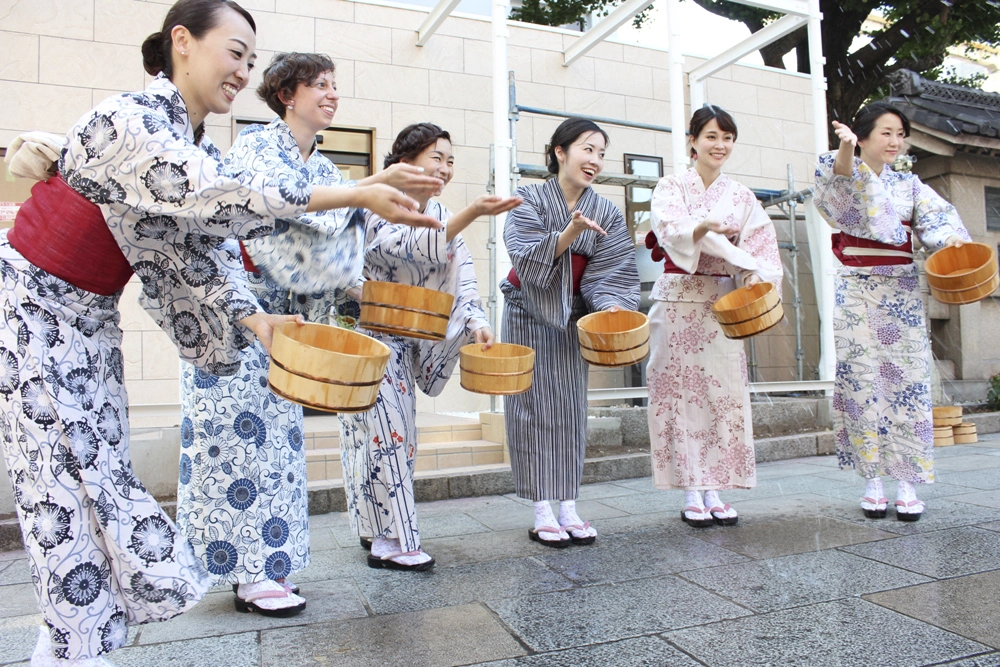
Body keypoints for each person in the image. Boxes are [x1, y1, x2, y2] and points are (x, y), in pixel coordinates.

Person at [0, 1, 439, 665]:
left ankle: (67, 640)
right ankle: (72, 644)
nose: (242, 71)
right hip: (33, 308)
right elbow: (216, 194)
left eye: (251, 60)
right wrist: (355, 193)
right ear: (182, 42)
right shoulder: (135, 120)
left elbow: (196, 254)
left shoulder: (191, 142)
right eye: (234, 52)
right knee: (68, 483)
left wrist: (257, 317)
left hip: (87, 320)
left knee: (92, 477)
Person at [174, 52, 444, 615]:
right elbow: (275, 208)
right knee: (235, 447)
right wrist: (366, 190)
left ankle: (268, 568)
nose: (331, 93)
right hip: (236, 315)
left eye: (335, 84)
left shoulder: (324, 170)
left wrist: (375, 205)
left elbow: (337, 242)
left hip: (289, 328)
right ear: (286, 95)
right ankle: (248, 576)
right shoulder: (255, 147)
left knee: (277, 449)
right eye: (319, 84)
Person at [339, 122, 521, 570]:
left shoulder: (443, 212)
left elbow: (464, 276)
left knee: (397, 437)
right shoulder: (380, 202)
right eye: (435, 158)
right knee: (382, 435)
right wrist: (472, 213)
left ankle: (376, 530)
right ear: (406, 162)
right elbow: (407, 243)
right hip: (368, 334)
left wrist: (476, 321)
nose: (445, 167)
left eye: (450, 160)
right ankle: (396, 539)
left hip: (408, 339)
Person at [814, 101, 970, 522]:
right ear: (862, 135)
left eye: (900, 133)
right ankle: (873, 480)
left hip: (900, 287)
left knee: (907, 381)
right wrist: (846, 150)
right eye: (886, 132)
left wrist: (951, 241)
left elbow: (938, 222)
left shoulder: (911, 185)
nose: (895, 141)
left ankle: (906, 480)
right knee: (863, 382)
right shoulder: (837, 163)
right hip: (857, 288)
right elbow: (840, 190)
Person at [501, 118, 639, 548]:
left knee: (569, 409)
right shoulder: (528, 197)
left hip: (573, 315)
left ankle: (568, 505)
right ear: (560, 152)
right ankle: (541, 507)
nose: (594, 160)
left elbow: (611, 269)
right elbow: (522, 251)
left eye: (601, 152)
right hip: (529, 310)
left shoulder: (606, 211)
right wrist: (569, 233)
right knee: (531, 408)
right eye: (587, 149)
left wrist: (611, 304)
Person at [645, 105, 782, 527]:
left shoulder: (741, 195)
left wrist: (755, 271)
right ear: (692, 141)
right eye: (710, 136)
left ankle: (716, 486)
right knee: (678, 391)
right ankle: (690, 487)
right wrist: (704, 229)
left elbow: (761, 247)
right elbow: (672, 229)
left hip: (721, 303)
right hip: (677, 299)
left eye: (727, 137)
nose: (719, 145)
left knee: (723, 392)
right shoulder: (670, 186)